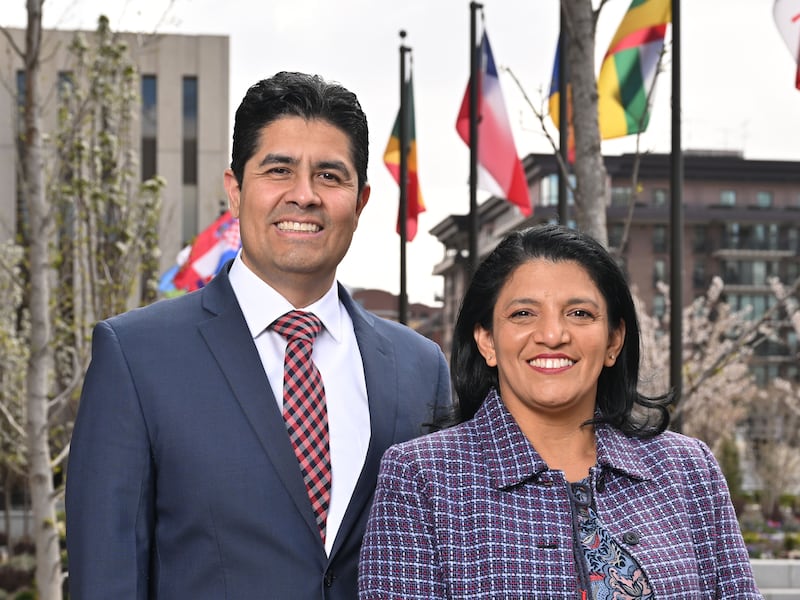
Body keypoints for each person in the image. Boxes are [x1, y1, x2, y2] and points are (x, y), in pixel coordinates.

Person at [65, 71, 452, 599]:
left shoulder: (420, 368)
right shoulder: (135, 357)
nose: (304, 195)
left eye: (330, 176)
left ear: (360, 202)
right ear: (235, 189)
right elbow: (107, 576)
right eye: (279, 170)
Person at [359, 224, 762, 599]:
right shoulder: (420, 477)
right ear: (487, 340)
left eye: (580, 314)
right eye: (523, 314)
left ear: (613, 341)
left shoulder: (688, 469)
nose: (553, 335)